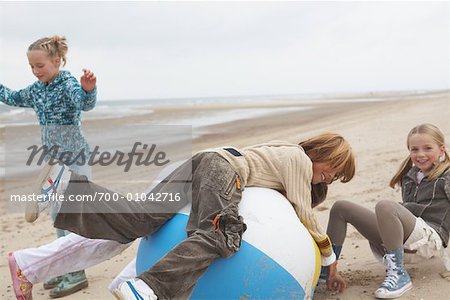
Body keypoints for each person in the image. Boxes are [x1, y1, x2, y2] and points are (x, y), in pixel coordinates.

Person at [9, 133, 355, 299]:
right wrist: (329, 257)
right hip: (223, 169)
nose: (325, 179)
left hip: (201, 164)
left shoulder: (282, 156)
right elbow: (303, 211)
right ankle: (148, 287)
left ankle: (65, 187)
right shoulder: (299, 160)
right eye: (330, 173)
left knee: (142, 219)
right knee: (221, 235)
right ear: (319, 154)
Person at [1, 35, 97, 298]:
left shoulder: (66, 84)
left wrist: (88, 89)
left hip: (75, 160)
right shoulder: (36, 89)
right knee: (57, 217)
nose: (35, 71)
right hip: (53, 163)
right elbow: (12, 97)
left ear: (56, 61)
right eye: (31, 66)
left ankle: (77, 274)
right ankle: (66, 266)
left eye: (39, 66)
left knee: (73, 216)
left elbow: (84, 103)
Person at [320, 123, 450, 299]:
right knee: (341, 207)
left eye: (427, 148)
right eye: (414, 149)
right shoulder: (410, 176)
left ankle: (399, 275)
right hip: (406, 236)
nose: (420, 154)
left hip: (429, 238)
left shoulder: (447, 176)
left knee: (385, 206)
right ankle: (327, 270)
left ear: (441, 149)